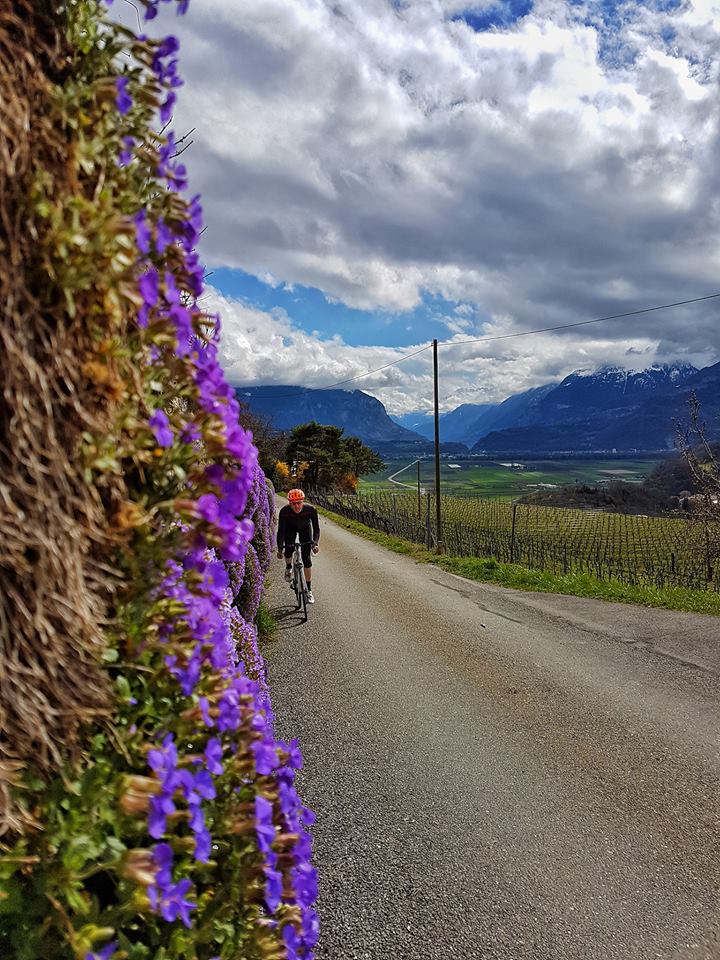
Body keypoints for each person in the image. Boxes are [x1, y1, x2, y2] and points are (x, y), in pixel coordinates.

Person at [276, 488, 320, 603]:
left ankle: (309, 590)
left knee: (307, 559)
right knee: (288, 550)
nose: (296, 506)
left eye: (299, 503)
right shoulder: (284, 511)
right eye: (293, 504)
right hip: (290, 528)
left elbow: (316, 529)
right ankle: (289, 566)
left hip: (305, 529)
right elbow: (281, 532)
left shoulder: (311, 510)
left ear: (303, 501)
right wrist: (280, 549)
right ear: (289, 503)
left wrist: (315, 544)